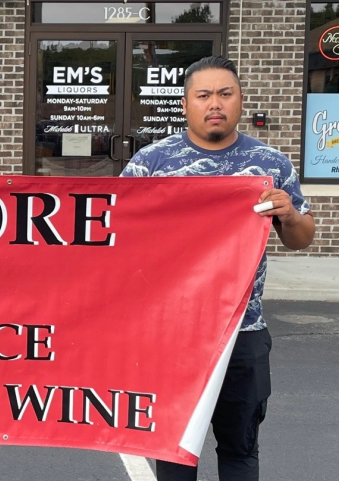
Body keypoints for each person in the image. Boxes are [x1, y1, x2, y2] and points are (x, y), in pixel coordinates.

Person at [121, 56, 315, 481]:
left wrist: (289, 215)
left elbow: (302, 238)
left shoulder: (270, 164)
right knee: (173, 452)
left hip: (244, 332)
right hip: (174, 333)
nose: (215, 103)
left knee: (240, 449)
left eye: (225, 94)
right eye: (203, 94)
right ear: (186, 103)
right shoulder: (152, 164)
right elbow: (119, 241)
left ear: (240, 100)